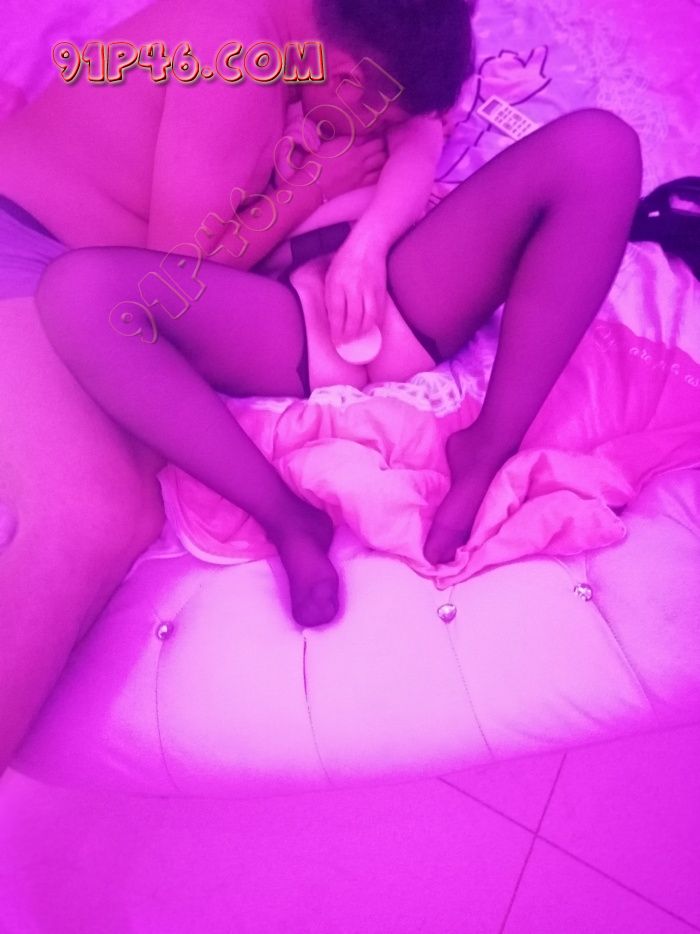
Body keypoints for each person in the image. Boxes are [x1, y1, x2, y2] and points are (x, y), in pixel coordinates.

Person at [0, 0, 642, 636]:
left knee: (600, 147)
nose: (370, 130)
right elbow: (180, 274)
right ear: (347, 80)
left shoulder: (394, 56)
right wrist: (310, 190)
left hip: (398, 293)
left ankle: (488, 448)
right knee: (81, 295)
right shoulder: (242, 56)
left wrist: (367, 245)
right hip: (273, 318)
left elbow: (418, 134)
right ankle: (284, 515)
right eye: (372, 114)